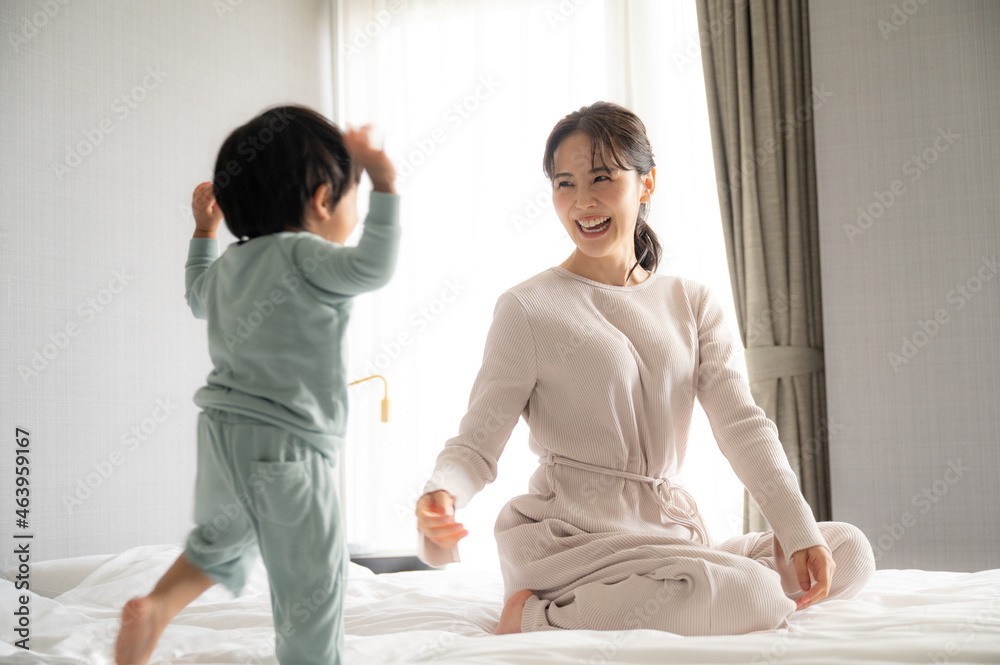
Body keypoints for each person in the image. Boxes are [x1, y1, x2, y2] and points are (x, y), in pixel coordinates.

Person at [414, 101, 875, 636]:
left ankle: (706, 580)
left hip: (666, 535)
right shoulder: (528, 308)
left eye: (601, 178)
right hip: (571, 542)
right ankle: (536, 618)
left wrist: (799, 532)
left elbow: (742, 426)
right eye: (565, 184)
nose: (582, 201)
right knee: (754, 594)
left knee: (849, 550)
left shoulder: (691, 302)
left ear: (646, 182)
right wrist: (441, 494)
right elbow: (477, 442)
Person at [114, 105, 399, 665]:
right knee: (313, 577)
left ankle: (159, 606)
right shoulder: (308, 255)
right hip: (290, 447)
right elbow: (374, 266)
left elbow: (196, 298)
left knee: (219, 544)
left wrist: (204, 232)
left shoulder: (230, 265)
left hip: (222, 438)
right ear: (323, 200)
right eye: (355, 198)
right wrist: (386, 183)